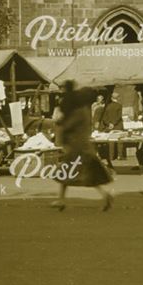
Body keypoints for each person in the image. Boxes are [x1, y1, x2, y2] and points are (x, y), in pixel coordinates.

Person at [52, 83, 113, 211]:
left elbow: (67, 125)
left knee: (68, 174)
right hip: (84, 148)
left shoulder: (79, 112)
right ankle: (105, 196)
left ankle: (61, 200)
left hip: (77, 148)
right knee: (87, 177)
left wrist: (59, 122)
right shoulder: (85, 110)